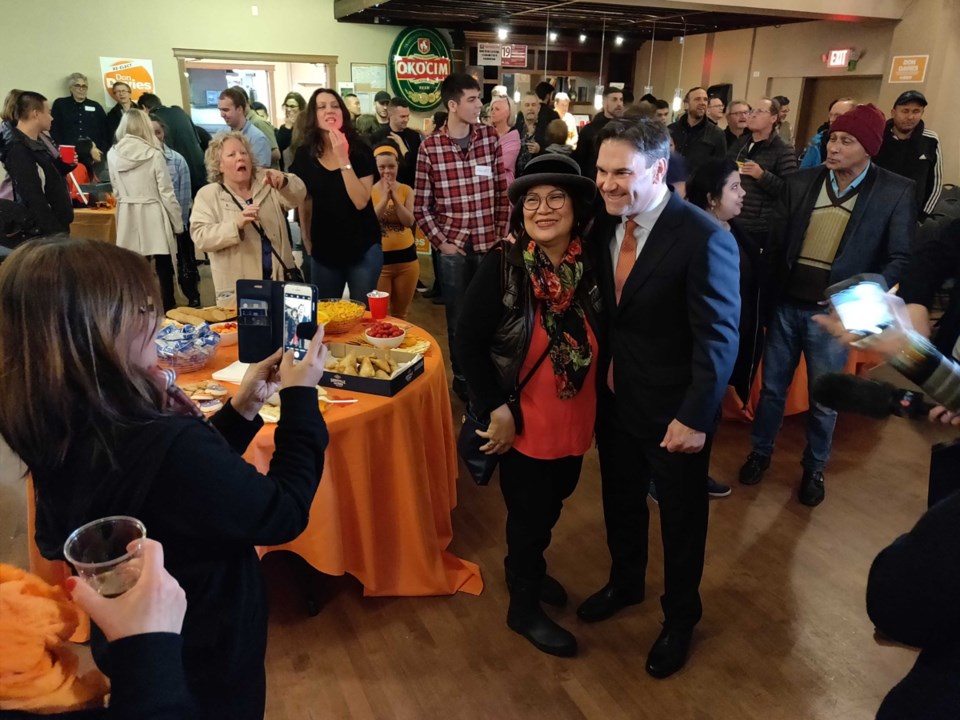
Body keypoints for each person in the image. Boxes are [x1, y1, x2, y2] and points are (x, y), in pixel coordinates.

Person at [0, 236, 329, 720]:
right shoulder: (160, 438)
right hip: (209, 647)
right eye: (137, 305)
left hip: (137, 651)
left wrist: (242, 409)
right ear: (96, 330)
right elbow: (280, 512)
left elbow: (173, 488)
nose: (154, 315)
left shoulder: (67, 421)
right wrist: (301, 400)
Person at [577, 118, 740, 680]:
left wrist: (695, 417)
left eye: (622, 172)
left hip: (675, 411)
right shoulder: (603, 223)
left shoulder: (703, 236)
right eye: (601, 171)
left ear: (659, 170)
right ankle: (626, 583)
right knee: (620, 500)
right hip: (617, 399)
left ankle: (680, 618)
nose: (607, 183)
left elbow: (719, 336)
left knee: (681, 519)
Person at [456, 154, 601, 658]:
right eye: (531, 201)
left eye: (555, 197)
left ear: (577, 207)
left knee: (555, 501)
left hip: (575, 417)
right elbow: (467, 342)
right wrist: (494, 405)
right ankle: (522, 607)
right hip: (523, 422)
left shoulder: (591, 264)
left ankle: (529, 569)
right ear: (519, 214)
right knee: (528, 516)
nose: (543, 209)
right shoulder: (505, 266)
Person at [739, 104, 914, 506]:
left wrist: (862, 298)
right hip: (786, 305)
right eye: (832, 138)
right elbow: (776, 244)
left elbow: (900, 257)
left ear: (869, 147)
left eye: (846, 141)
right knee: (772, 391)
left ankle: (814, 468)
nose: (833, 147)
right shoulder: (801, 183)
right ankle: (759, 452)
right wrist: (766, 301)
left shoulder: (894, 191)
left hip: (836, 315)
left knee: (826, 398)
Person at [413, 72, 508, 401]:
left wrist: (500, 235)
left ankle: (491, 375)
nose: (479, 105)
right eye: (472, 99)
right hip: (453, 250)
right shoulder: (430, 149)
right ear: (452, 105)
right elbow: (421, 207)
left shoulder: (489, 138)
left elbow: (502, 192)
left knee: (494, 315)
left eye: (479, 98)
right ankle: (464, 379)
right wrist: (441, 243)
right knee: (457, 320)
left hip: (488, 246)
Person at [290, 88, 381, 303]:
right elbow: (305, 200)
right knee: (326, 316)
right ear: (314, 115)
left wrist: (343, 158)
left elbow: (360, 201)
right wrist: (306, 237)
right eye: (321, 107)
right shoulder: (305, 154)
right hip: (325, 246)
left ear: (342, 112)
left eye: (334, 105)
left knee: (363, 314)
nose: (329, 110)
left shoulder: (360, 149)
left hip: (363, 246)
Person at [191, 131, 305, 298]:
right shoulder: (208, 195)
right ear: (219, 165)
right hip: (239, 290)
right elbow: (201, 237)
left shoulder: (268, 181)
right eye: (231, 154)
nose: (240, 158)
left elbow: (298, 196)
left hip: (279, 282)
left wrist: (284, 182)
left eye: (244, 153)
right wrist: (236, 224)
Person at [108, 108, 183, 311]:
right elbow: (166, 191)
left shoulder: (112, 154)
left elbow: (115, 188)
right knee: (164, 264)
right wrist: (177, 223)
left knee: (134, 265)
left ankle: (137, 307)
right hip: (152, 210)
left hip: (127, 212)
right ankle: (168, 306)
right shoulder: (153, 153)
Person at [727, 97, 798, 246]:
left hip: (759, 226)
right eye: (752, 111)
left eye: (760, 111)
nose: (752, 115)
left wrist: (762, 176)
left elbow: (789, 191)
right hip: (733, 217)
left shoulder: (783, 149)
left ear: (773, 118)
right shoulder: (740, 143)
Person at [0, 91, 73, 234]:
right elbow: (32, 196)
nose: (52, 118)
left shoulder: (39, 143)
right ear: (36, 114)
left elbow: (48, 179)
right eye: (48, 112)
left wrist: (64, 166)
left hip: (55, 223)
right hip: (42, 231)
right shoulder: (18, 149)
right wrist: (53, 232)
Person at [152, 116, 201, 308]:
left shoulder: (177, 160)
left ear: (163, 133)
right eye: (151, 133)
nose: (156, 136)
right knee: (162, 267)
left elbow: (183, 195)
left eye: (158, 132)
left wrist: (179, 224)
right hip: (154, 223)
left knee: (184, 262)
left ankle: (193, 296)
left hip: (176, 221)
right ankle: (167, 303)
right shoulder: (143, 161)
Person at [874, 90, 943, 221]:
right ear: (893, 112)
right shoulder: (878, 137)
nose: (910, 117)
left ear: (922, 113)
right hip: (874, 212)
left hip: (910, 217)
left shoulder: (931, 140)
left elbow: (936, 183)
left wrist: (923, 216)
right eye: (905, 111)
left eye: (916, 111)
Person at [371, 144, 418, 319]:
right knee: (380, 314)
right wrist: (384, 199)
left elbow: (409, 221)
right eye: (382, 167)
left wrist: (396, 199)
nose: (387, 171)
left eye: (391, 166)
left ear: (398, 165)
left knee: (401, 314)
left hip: (407, 261)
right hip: (380, 262)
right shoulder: (369, 191)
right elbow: (370, 223)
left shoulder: (406, 190)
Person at [137, 93, 206, 197]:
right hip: (200, 169)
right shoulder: (180, 112)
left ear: (143, 108)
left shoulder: (155, 120)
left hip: (178, 172)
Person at [668, 86, 727, 179]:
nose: (702, 103)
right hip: (671, 183)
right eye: (697, 99)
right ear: (686, 105)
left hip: (698, 189)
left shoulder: (717, 134)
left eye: (705, 100)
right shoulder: (671, 130)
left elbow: (719, 168)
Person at [573, 87, 624, 182]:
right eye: (614, 99)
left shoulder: (626, 128)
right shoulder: (589, 130)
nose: (619, 104)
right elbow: (580, 160)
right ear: (604, 102)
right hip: (594, 181)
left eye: (621, 100)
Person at [50, 73, 109, 151]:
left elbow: (105, 130)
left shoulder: (95, 106)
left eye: (84, 86)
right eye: (78, 86)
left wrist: (102, 151)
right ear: (71, 88)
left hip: (92, 152)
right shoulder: (60, 104)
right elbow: (54, 128)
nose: (81, 89)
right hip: (68, 151)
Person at [217, 88, 272, 169]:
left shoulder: (258, 139)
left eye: (226, 110)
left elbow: (260, 175)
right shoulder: (220, 134)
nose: (222, 115)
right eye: (220, 110)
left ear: (239, 109)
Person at [372, 97, 421, 186]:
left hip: (410, 187)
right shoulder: (378, 136)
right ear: (390, 115)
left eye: (407, 116)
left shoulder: (413, 136)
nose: (406, 120)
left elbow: (417, 164)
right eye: (402, 116)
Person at [229, 87, 280, 169]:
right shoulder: (235, 126)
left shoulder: (258, 122)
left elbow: (276, 153)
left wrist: (252, 158)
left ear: (247, 102)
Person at [799, 98, 856, 169]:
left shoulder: (859, 145)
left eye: (837, 116)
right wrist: (822, 169)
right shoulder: (818, 142)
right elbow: (803, 173)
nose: (831, 120)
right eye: (830, 115)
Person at [490, 95, 520, 186]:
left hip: (504, 184)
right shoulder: (487, 133)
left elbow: (503, 163)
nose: (492, 112)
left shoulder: (513, 136)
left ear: (508, 113)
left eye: (497, 109)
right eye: (492, 109)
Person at [276, 91, 305, 170]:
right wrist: (287, 127)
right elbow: (279, 147)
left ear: (301, 108)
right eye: (287, 106)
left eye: (292, 106)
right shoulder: (283, 128)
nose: (288, 109)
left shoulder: (307, 127)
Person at [516, 92, 541, 174]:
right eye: (527, 105)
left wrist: (539, 150)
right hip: (517, 179)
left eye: (533, 105)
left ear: (538, 108)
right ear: (521, 108)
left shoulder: (546, 129)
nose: (530, 108)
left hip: (537, 177)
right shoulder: (515, 130)